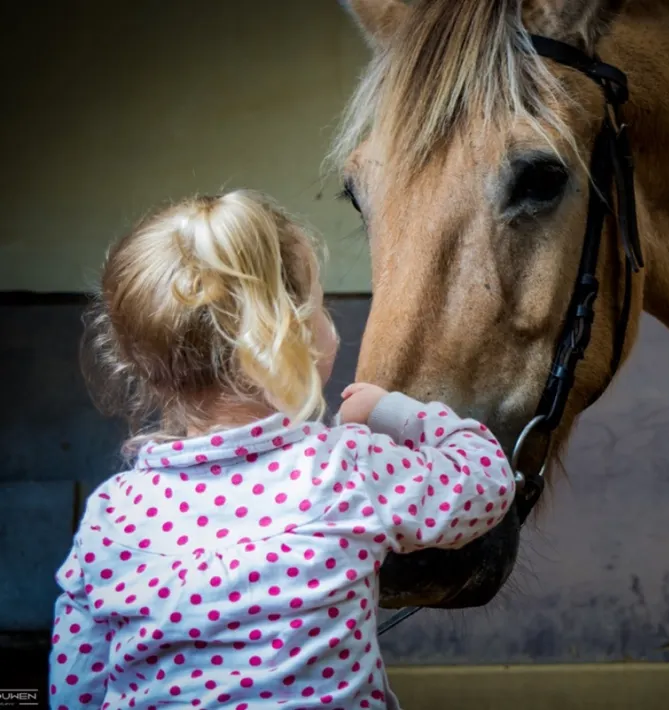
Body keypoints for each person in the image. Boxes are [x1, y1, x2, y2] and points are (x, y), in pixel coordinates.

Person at [49, 189, 516, 709]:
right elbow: (485, 481)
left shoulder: (111, 515)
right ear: (286, 336)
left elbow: (77, 686)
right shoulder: (345, 469)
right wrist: (393, 410)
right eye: (319, 306)